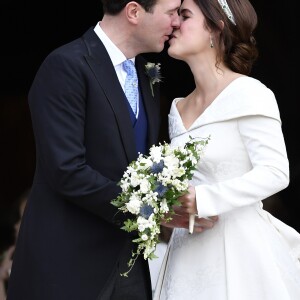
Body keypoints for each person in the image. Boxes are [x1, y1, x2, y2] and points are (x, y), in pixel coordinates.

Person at [7, 1, 219, 299]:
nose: (176, 23)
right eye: (171, 12)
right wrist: (153, 211)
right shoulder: (67, 65)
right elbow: (66, 170)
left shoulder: (148, 75)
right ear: (133, 12)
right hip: (68, 266)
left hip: (128, 266)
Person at [154, 0, 300, 299]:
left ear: (216, 27)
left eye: (185, 15)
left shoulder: (250, 92)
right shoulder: (177, 108)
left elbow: (275, 172)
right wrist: (168, 208)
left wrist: (205, 199)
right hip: (185, 253)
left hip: (239, 251)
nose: (174, 24)